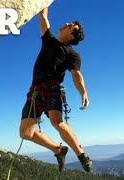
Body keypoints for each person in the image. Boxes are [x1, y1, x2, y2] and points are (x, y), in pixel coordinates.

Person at [19, 7, 92, 172]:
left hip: (52, 87)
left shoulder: (72, 54)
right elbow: (43, 16)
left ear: (72, 36)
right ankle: (58, 150)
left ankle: (81, 154)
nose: (67, 23)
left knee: (56, 121)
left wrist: (83, 93)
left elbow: (76, 75)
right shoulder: (49, 40)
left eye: (71, 25)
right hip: (35, 90)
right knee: (25, 133)